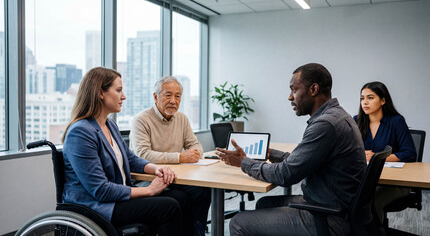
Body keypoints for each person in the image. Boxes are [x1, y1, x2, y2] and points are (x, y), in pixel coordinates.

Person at [216, 63, 367, 236]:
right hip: (336, 206)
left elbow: (285, 175)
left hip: (330, 217)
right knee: (264, 204)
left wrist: (244, 163)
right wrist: (270, 153)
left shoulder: (326, 125)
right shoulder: (337, 116)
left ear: (313, 89)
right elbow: (302, 161)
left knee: (238, 223)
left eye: (294, 90)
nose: (290, 97)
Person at [62, 67, 194, 236]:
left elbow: (130, 159)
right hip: (97, 206)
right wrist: (149, 190)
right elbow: (101, 190)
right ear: (100, 93)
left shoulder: (110, 125)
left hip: (115, 198)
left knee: (180, 197)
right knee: (169, 207)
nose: (123, 96)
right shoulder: (80, 132)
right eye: (118, 90)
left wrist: (155, 169)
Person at [129, 76, 211, 235]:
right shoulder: (141, 120)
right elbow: (143, 154)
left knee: (202, 191)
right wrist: (180, 157)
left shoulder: (182, 118)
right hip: (149, 178)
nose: (173, 100)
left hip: (176, 176)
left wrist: (194, 153)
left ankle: (197, 231)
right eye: (168, 95)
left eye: (178, 96)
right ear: (155, 96)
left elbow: (195, 145)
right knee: (181, 198)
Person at [354, 81, 417, 224]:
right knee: (349, 197)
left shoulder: (396, 121)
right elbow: (348, 149)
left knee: (372, 201)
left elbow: (410, 153)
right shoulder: (356, 121)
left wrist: (379, 157)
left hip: (394, 182)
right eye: (362, 98)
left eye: (370, 98)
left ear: (383, 100)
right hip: (365, 179)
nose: (365, 102)